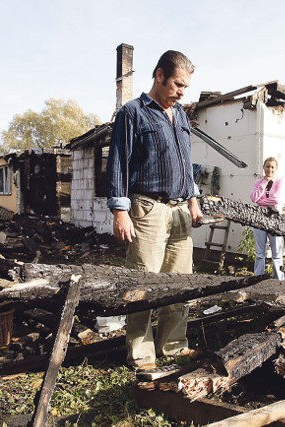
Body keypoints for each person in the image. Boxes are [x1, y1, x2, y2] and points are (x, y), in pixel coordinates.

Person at [106, 50, 203, 370]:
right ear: (159, 75)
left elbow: (186, 163)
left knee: (179, 283)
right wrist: (120, 210)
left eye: (186, 86)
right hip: (147, 209)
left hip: (179, 212)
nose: (182, 91)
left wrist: (193, 199)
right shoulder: (133, 113)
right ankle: (141, 353)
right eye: (178, 84)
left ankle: (173, 345)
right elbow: (118, 161)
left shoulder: (182, 116)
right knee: (143, 284)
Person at [250, 157, 285, 280]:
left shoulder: (279, 182)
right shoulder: (258, 183)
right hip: (259, 218)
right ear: (263, 167)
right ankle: (258, 278)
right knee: (260, 253)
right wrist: (264, 183)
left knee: (276, 253)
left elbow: (276, 199)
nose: (269, 169)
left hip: (275, 219)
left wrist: (261, 202)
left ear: (276, 169)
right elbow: (254, 198)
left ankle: (279, 279)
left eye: (272, 167)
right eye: (267, 166)